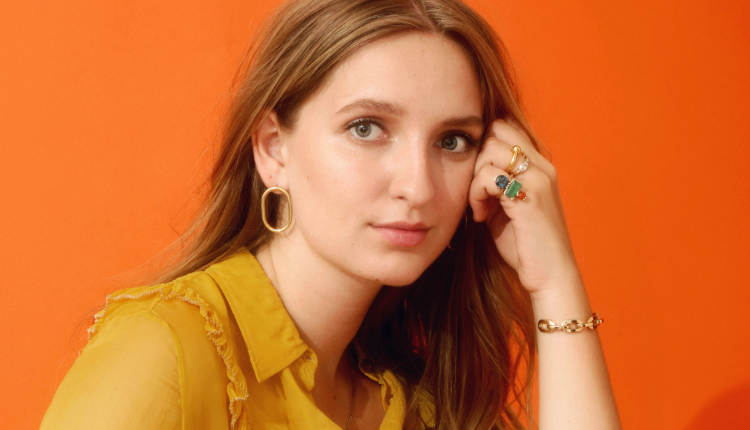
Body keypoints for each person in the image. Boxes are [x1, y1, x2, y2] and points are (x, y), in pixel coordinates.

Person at [40, 0, 621, 429]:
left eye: (452, 141)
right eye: (366, 128)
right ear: (273, 149)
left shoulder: (409, 398)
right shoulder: (165, 350)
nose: (418, 187)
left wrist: (556, 282)